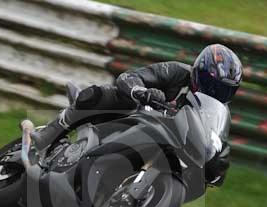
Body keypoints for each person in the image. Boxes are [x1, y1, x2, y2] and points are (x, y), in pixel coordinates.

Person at [31, 44, 243, 185]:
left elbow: (213, 141)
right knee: (99, 95)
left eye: (223, 90)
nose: (213, 93)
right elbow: (130, 76)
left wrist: (216, 167)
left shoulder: (216, 113)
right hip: (135, 117)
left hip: (167, 143)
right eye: (210, 85)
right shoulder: (177, 73)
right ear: (197, 72)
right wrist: (142, 92)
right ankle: (48, 135)